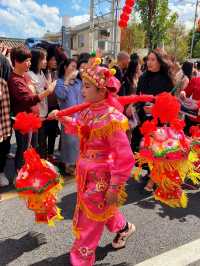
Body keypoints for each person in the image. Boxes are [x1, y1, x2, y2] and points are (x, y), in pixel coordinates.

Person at [49, 60, 135, 266]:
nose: (82, 91)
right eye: (83, 85)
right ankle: (123, 228)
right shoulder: (88, 112)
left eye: (87, 86)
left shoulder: (113, 119)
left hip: (101, 178)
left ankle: (82, 260)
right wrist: (61, 119)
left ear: (102, 89)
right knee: (98, 210)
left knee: (89, 220)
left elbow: (125, 158)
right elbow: (81, 128)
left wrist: (114, 188)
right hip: (84, 172)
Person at [8, 46, 54, 172]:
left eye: (30, 60)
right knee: (23, 148)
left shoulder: (24, 76)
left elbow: (32, 95)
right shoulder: (15, 80)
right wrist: (47, 91)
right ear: (16, 61)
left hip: (32, 119)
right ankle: (20, 173)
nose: (29, 63)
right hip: (24, 121)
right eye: (26, 60)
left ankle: (28, 173)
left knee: (32, 147)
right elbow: (29, 99)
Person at [136, 48, 175, 193]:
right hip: (144, 120)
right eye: (148, 59)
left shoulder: (167, 79)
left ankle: (155, 177)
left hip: (161, 122)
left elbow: (172, 104)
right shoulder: (143, 77)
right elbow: (139, 96)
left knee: (159, 150)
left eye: (153, 60)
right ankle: (151, 172)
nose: (149, 62)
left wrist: (156, 108)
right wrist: (136, 106)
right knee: (146, 149)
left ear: (161, 62)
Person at [55, 59, 82, 175]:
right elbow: (61, 95)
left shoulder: (78, 82)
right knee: (69, 142)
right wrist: (66, 80)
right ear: (65, 67)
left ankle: (77, 164)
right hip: (67, 117)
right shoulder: (60, 82)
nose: (74, 69)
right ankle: (68, 165)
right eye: (72, 66)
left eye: (75, 67)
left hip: (80, 116)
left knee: (79, 142)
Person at [28, 48, 56, 158]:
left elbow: (48, 87)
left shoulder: (41, 73)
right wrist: (50, 88)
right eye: (43, 59)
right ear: (36, 60)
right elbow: (39, 95)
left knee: (41, 144)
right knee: (37, 145)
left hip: (43, 114)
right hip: (36, 116)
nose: (46, 61)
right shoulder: (30, 75)